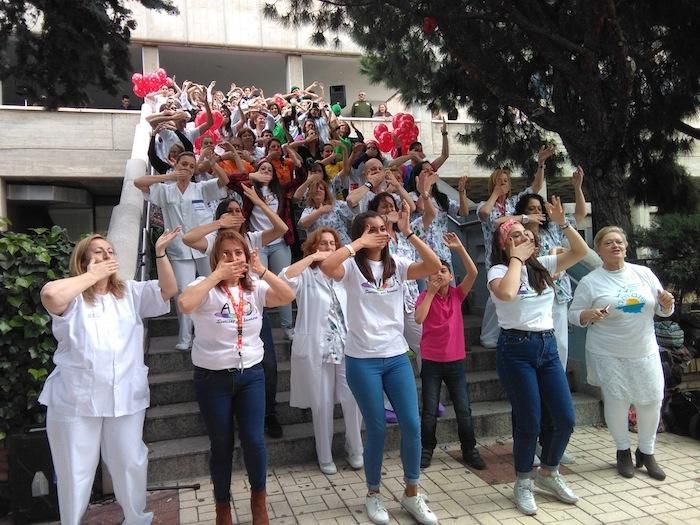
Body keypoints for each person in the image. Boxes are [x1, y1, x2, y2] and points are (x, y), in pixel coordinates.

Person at [39, 230, 179, 525]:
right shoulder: (72, 295)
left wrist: (161, 254)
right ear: (84, 261)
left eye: (110, 251)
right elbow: (50, 295)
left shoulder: (128, 292)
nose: (107, 256)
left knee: (130, 461)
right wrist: (93, 277)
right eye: (99, 252)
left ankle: (136, 518)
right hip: (76, 400)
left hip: (125, 394)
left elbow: (168, 290)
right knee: (75, 470)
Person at [320, 206, 442, 525]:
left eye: (383, 227)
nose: (381, 232)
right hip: (362, 359)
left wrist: (409, 232)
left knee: (412, 425)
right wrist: (358, 243)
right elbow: (327, 267)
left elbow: (434, 265)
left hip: (396, 355)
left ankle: (412, 493)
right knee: (375, 427)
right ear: (361, 233)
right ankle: (373, 494)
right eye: (372, 228)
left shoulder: (398, 265)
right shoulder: (349, 266)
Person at [178, 229, 295, 525]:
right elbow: (185, 304)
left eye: (238, 253)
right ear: (216, 258)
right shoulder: (203, 286)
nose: (233, 258)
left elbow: (287, 295)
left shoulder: (254, 286)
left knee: (254, 441)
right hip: (212, 377)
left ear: (247, 255)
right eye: (226, 254)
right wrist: (215, 275)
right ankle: (222, 507)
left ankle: (259, 503)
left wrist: (262, 270)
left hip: (251, 374)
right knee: (221, 444)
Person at [487, 196, 588, 516]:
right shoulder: (499, 269)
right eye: (515, 235)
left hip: (547, 348)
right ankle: (523, 483)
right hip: (515, 350)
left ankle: (549, 472)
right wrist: (516, 257)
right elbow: (506, 292)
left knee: (566, 419)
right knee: (529, 421)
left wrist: (564, 223)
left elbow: (581, 252)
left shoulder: (545, 264)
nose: (525, 237)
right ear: (505, 244)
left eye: (527, 234)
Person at [568, 226, 674, 481]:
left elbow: (662, 308)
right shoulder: (591, 281)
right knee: (618, 400)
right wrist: (588, 315)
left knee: (651, 400)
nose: (615, 246)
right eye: (608, 243)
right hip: (608, 351)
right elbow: (573, 314)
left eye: (619, 242)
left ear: (626, 246)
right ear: (599, 250)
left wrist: (668, 305)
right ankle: (623, 451)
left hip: (644, 348)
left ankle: (646, 452)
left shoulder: (644, 274)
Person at [280, 228, 364, 475]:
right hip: (318, 348)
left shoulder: (345, 271)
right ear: (314, 248)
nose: (328, 248)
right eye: (323, 244)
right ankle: (324, 455)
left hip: (346, 344)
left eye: (332, 244)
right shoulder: (306, 274)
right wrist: (310, 259)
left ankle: (355, 447)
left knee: (353, 398)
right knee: (322, 403)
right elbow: (283, 279)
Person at [134, 151, 229, 350]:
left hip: (203, 246)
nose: (186, 168)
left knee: (214, 287)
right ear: (176, 165)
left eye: (191, 166)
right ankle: (185, 338)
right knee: (184, 293)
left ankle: (217, 330)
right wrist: (168, 176)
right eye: (183, 164)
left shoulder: (200, 188)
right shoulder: (165, 190)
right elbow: (138, 182)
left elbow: (224, 181)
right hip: (179, 250)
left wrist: (214, 165)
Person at [414, 232, 485, 471]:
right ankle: (426, 449)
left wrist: (460, 249)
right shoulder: (424, 296)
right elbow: (418, 318)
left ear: (450, 276)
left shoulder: (457, 294)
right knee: (429, 410)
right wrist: (431, 292)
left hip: (455, 362)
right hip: (432, 362)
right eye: (434, 271)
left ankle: (469, 449)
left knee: (464, 410)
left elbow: (474, 273)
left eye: (443, 271)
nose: (438, 275)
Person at [477, 146, 552, 348]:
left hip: (519, 252)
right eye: (499, 181)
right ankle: (489, 336)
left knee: (516, 290)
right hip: (497, 255)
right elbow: (489, 217)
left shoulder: (514, 202)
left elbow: (535, 187)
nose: (503, 184)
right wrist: (497, 195)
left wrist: (541, 164)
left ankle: (504, 330)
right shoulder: (486, 203)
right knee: (496, 295)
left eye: (506, 181)